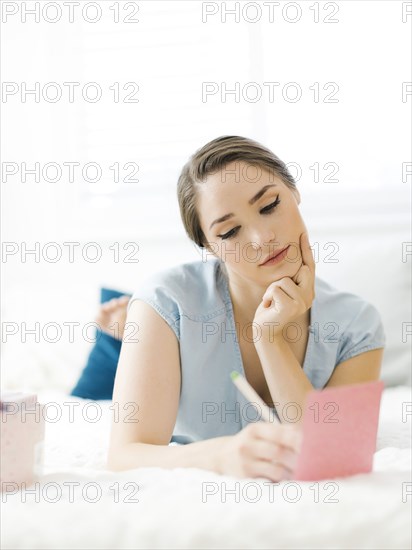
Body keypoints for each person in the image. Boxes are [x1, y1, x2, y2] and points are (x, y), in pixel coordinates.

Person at [106, 135, 385, 482]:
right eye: (231, 231)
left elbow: (332, 456)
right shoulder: (166, 301)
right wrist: (221, 456)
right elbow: (125, 455)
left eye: (269, 206)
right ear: (209, 247)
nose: (261, 238)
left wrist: (270, 338)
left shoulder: (357, 325)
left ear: (294, 192)